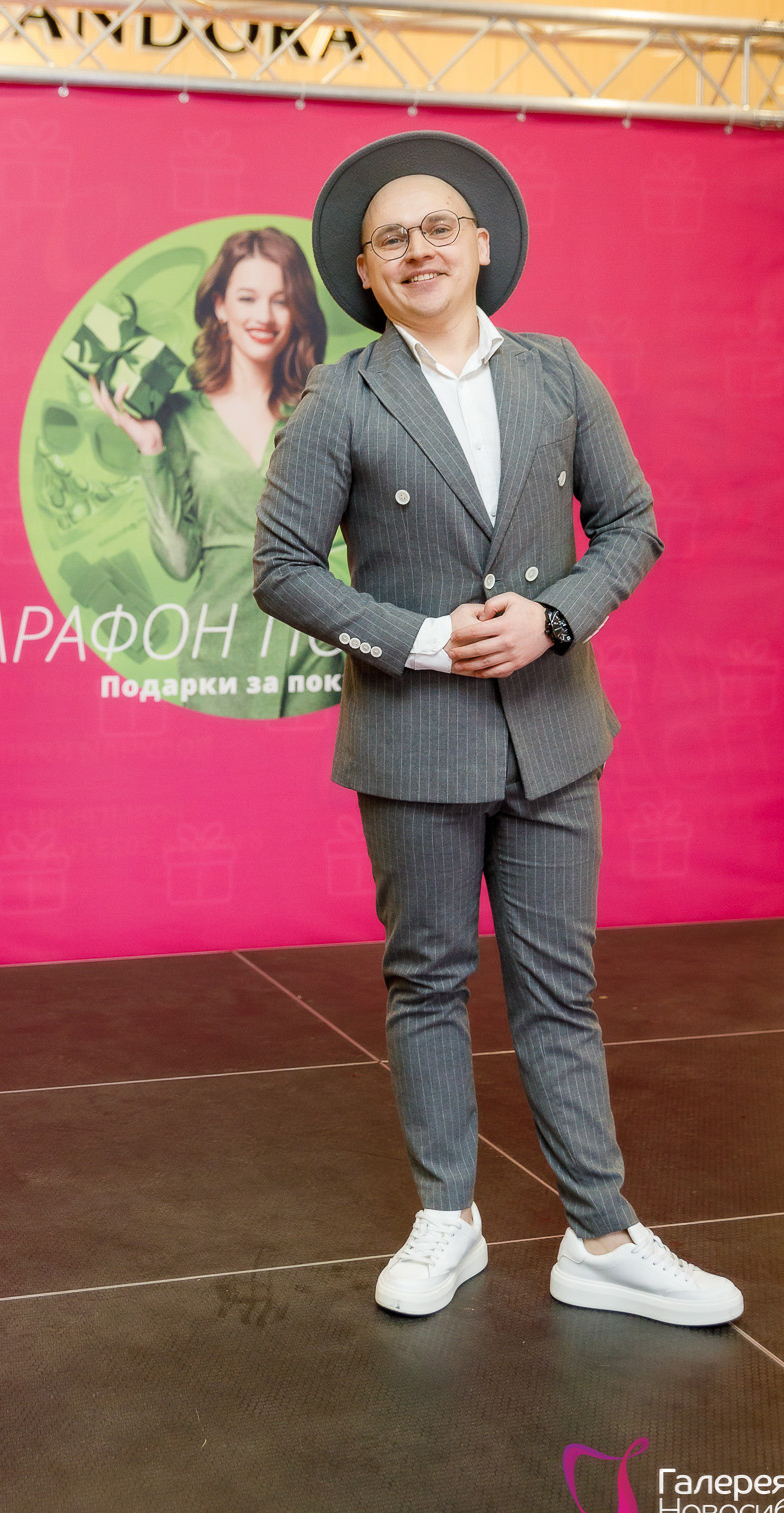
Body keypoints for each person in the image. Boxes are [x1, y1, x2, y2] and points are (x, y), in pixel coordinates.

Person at [253, 131, 744, 1327]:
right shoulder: (337, 397)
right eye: (390, 238)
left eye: (438, 227)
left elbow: (630, 523)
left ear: (482, 244)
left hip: (553, 732)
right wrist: (424, 639)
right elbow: (280, 567)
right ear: (363, 271)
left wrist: (553, 617)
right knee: (426, 976)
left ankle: (602, 1236)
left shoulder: (558, 373)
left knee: (559, 988)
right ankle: (446, 1216)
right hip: (414, 738)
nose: (417, 249)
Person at [93, 226, 340, 718]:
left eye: (281, 300)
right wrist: (151, 448)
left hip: (313, 649)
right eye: (247, 298)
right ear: (220, 306)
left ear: (298, 313)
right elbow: (179, 562)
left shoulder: (324, 410)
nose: (264, 316)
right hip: (217, 649)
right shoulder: (178, 416)